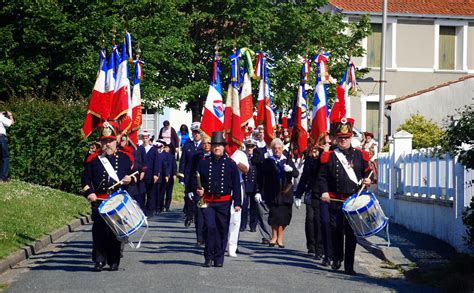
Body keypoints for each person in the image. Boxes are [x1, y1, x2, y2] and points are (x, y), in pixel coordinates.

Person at [318, 117, 372, 275]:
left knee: (351, 233)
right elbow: (322, 177)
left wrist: (369, 180)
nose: (343, 141)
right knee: (335, 229)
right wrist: (324, 191)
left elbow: (367, 173)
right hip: (335, 198)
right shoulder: (330, 156)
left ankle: (349, 265)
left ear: (351, 138)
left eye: (346, 138)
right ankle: (337, 258)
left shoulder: (360, 156)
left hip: (353, 200)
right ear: (336, 138)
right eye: (340, 138)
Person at [81, 121, 136, 272]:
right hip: (99, 200)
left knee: (114, 232)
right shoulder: (93, 159)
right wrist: (89, 193)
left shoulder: (125, 158)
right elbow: (85, 179)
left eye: (110, 141)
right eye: (105, 141)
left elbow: (138, 173)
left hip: (116, 201)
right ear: (101, 142)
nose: (107, 144)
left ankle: (113, 260)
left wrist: (131, 179)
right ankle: (99, 260)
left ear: (116, 141)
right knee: (98, 231)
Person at [196, 131, 241, 268]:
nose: (217, 148)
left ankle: (219, 257)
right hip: (208, 201)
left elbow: (236, 185)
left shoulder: (230, 164)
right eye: (215, 145)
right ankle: (208, 256)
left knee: (222, 229)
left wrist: (237, 203)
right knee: (210, 227)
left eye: (220, 145)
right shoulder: (204, 162)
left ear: (224, 147)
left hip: (224, 201)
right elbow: (195, 179)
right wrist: (197, 190)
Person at [257, 138, 299, 248]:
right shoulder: (268, 161)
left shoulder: (287, 160)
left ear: (282, 149)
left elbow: (296, 174)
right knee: (274, 215)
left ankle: (280, 237)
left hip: (286, 192)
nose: (277, 150)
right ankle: (274, 236)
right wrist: (258, 191)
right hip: (273, 192)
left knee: (284, 216)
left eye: (279, 148)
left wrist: (290, 170)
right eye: (275, 148)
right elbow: (260, 176)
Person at [186, 135, 211, 246]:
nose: (206, 145)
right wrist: (190, 189)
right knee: (199, 217)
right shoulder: (196, 156)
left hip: (211, 192)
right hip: (198, 190)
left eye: (209, 143)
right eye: (204, 143)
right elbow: (191, 173)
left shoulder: (215, 157)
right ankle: (199, 238)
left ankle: (208, 237)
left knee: (209, 217)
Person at [226, 145, 249, 257]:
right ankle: (221, 244)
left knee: (235, 217)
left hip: (237, 185)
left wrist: (236, 163)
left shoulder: (240, 154)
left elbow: (246, 170)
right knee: (221, 216)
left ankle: (232, 245)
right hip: (222, 186)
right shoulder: (221, 151)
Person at [179, 122, 203, 227]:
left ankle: (199, 217)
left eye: (198, 132)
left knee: (200, 197)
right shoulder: (188, 145)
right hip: (189, 176)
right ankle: (189, 215)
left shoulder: (205, 145)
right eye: (194, 132)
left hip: (201, 177)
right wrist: (181, 177)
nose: (196, 134)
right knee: (189, 197)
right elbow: (183, 162)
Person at [241, 139, 259, 234]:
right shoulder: (243, 157)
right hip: (244, 183)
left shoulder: (257, 158)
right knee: (243, 205)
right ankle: (243, 224)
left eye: (251, 147)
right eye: (248, 147)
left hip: (254, 184)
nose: (249, 149)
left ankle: (253, 225)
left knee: (254, 206)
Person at [163, 143, 177, 212]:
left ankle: (167, 206)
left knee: (169, 192)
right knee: (162, 192)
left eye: (167, 148)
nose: (166, 149)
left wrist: (174, 174)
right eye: (165, 147)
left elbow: (174, 166)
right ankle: (161, 206)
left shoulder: (172, 156)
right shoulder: (162, 155)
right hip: (164, 176)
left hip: (170, 176)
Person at [0, 111, 14, 182]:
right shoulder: (1, 117)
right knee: (5, 157)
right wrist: (10, 115)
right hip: (1, 137)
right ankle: (3, 177)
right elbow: (11, 123)